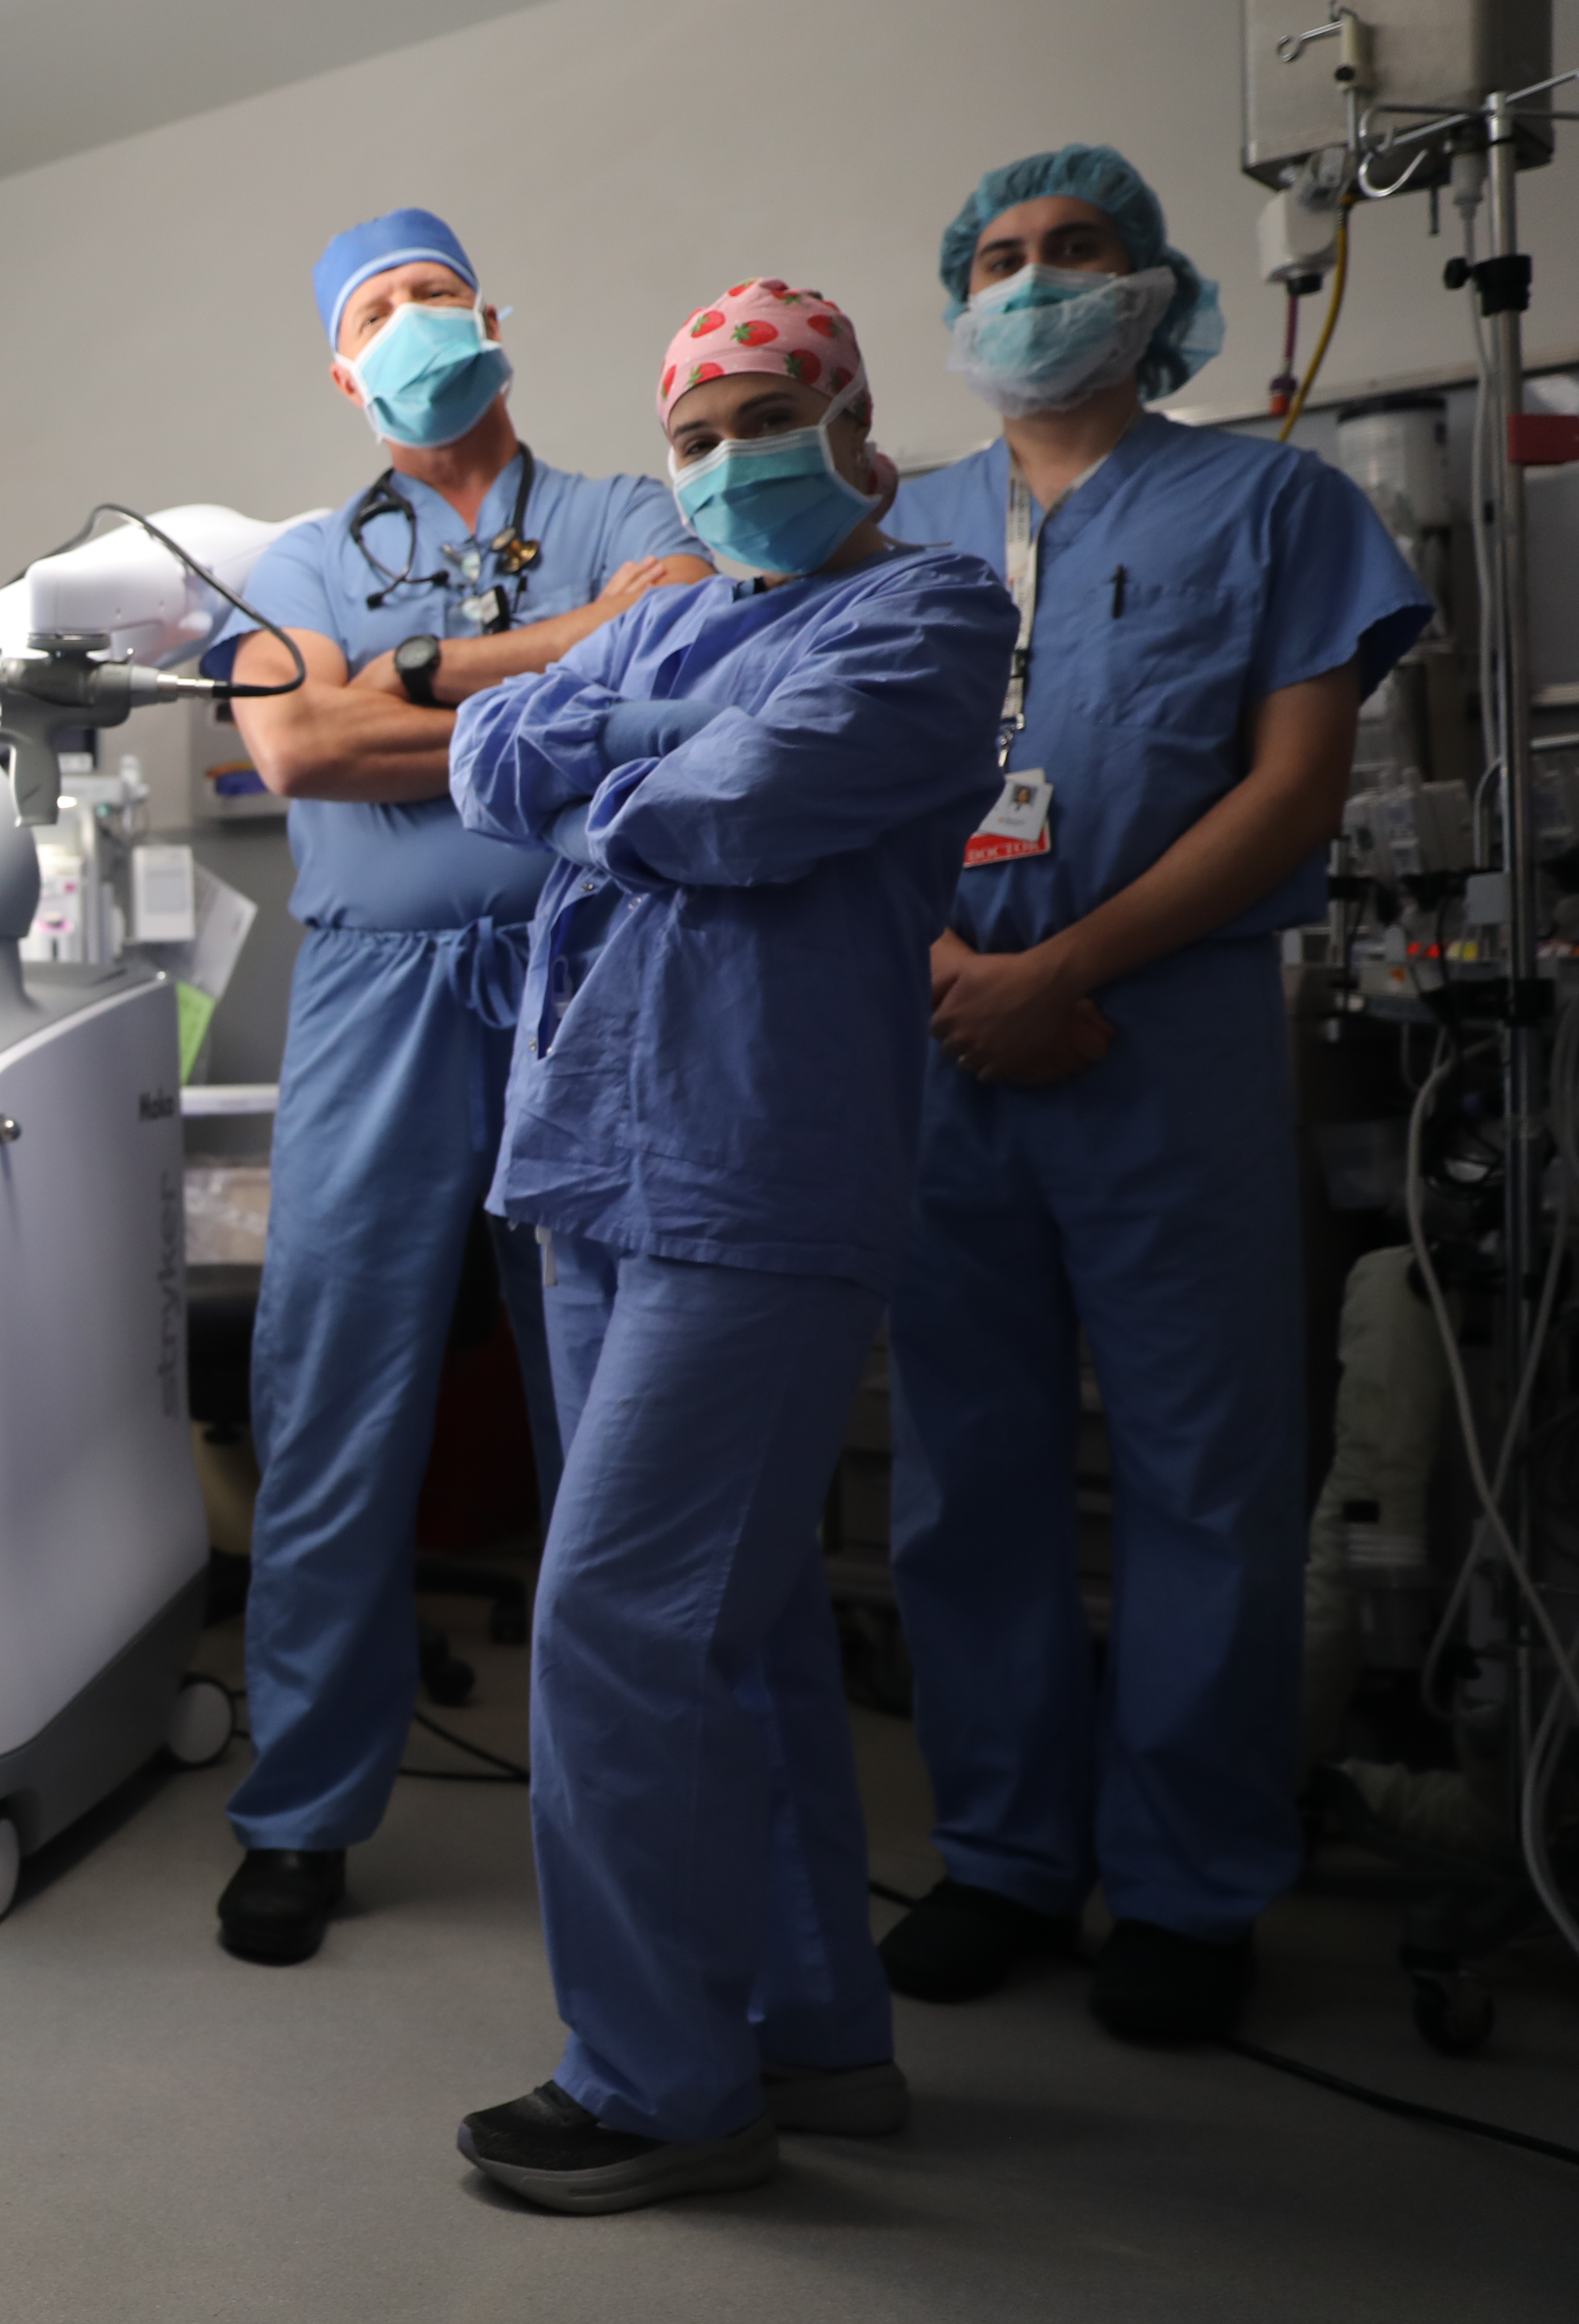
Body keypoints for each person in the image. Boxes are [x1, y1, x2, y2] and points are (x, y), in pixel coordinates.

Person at [444, 278, 1015, 2212]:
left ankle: (663, 2088)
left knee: (615, 1627)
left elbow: (750, 802)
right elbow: (483, 763)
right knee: (743, 1633)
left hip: (761, 1177)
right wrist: (650, 739)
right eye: (689, 438)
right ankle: (813, 2035)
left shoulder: (934, 608)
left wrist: (628, 744)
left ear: (853, 426)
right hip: (600, 1169)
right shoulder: (690, 613)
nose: (718, 463)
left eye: (760, 418)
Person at [879, 145, 1428, 2043]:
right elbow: (841, 786)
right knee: (969, 1473)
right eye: (1002, 256)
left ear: (1153, 286)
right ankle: (1010, 1854)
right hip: (934, 1034)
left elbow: (1294, 791)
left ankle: (1195, 1881)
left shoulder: (1268, 504)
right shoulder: (896, 524)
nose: (1034, 283)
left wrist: (1066, 968)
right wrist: (951, 972)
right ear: (959, 303)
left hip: (1165, 1032)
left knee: (1210, 1471)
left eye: (1074, 251)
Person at [203, 208, 710, 1965]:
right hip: (375, 994)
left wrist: (402, 690)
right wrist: (546, 672)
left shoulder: (633, 514)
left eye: (434, 295)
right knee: (335, 1395)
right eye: (377, 313)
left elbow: (675, 687)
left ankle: (634, 1801)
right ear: (342, 370)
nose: (413, 327)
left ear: (490, 317)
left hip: (593, 971)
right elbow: (295, 746)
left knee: (617, 1403)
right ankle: (300, 1810)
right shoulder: (290, 562)